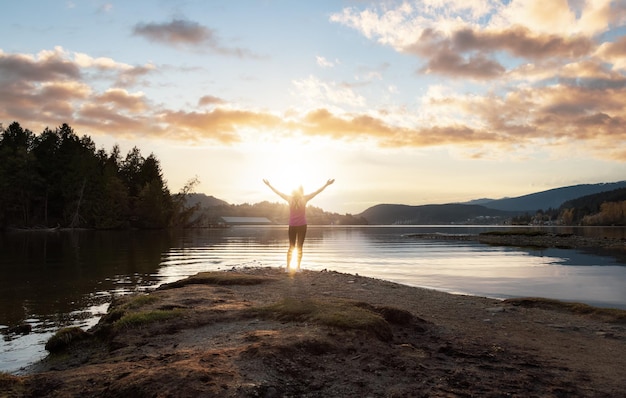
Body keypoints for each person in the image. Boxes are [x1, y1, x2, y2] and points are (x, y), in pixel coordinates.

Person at [263, 178, 335, 272]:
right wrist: (326, 184)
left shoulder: (290, 198)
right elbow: (317, 192)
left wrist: (269, 185)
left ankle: (290, 267)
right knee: (298, 246)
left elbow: (278, 192)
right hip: (301, 226)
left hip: (294, 225)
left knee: (292, 246)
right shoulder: (303, 198)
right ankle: (295, 267)